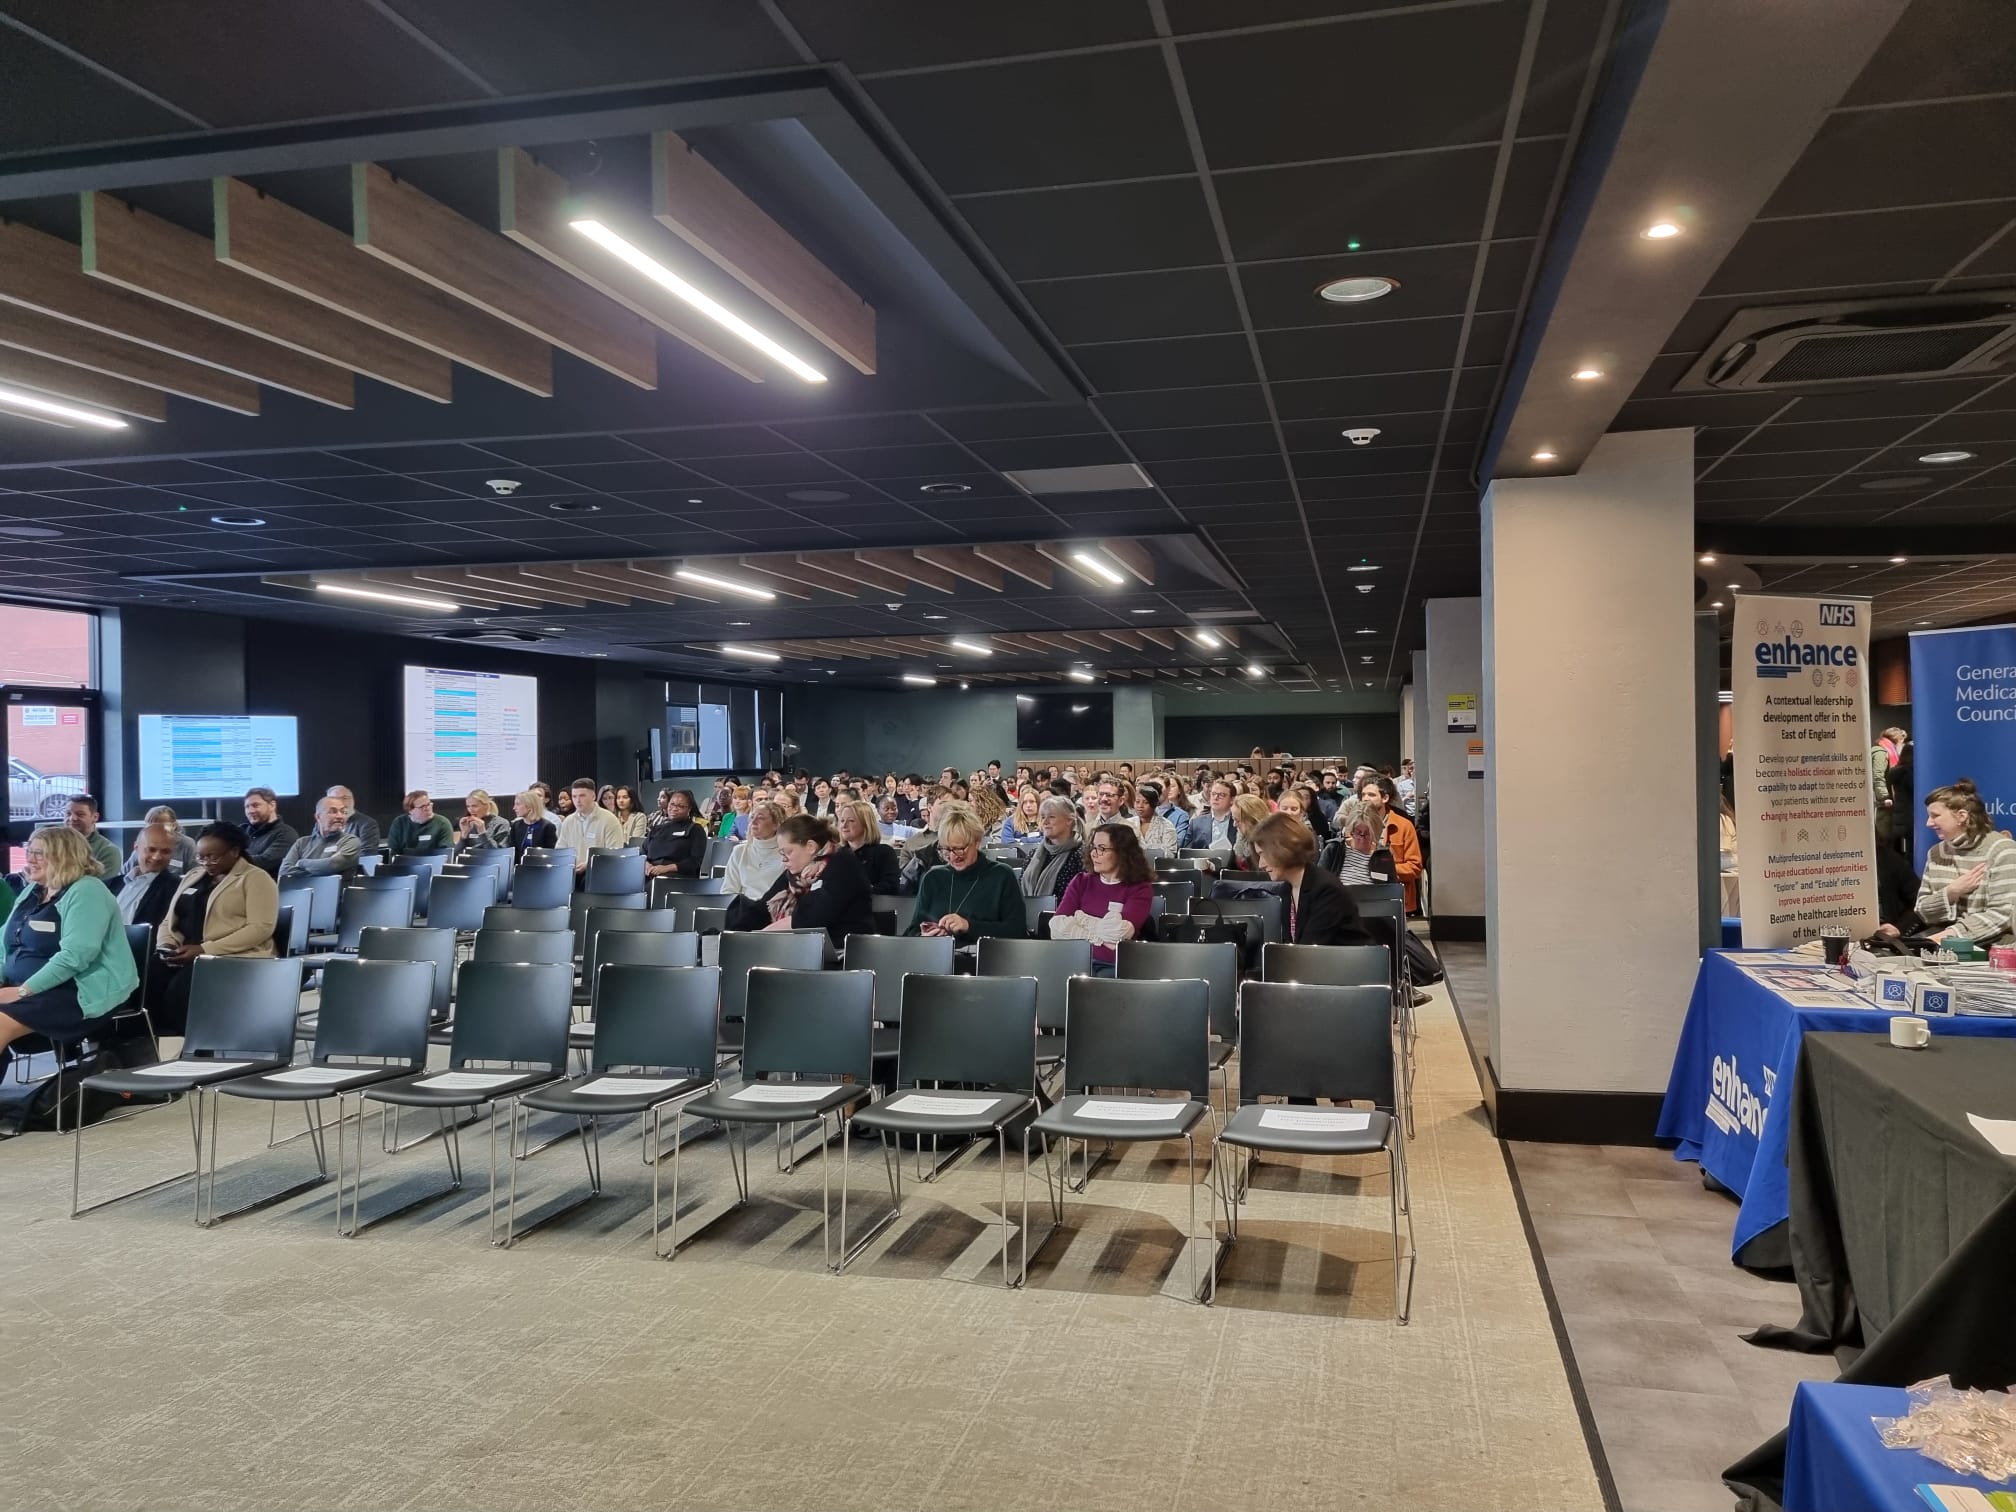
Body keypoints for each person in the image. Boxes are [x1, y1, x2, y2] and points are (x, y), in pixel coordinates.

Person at [0, 826, 136, 1083]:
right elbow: (3, 941)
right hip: (26, 987)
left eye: (39, 853)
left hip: (76, 990)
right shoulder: (34, 890)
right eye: (30, 850)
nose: (30, 858)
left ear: (65, 855)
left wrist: (22, 991)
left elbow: (76, 956)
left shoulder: (87, 890)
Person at [153, 821, 279, 1035]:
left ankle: (192, 1044)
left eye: (213, 856)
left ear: (235, 852)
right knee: (149, 976)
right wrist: (166, 944)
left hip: (233, 956)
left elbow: (260, 928)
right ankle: (152, 1043)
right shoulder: (194, 876)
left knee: (183, 987)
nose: (206, 862)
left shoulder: (255, 878)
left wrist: (205, 949)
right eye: (201, 856)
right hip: (187, 952)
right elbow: (169, 920)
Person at [1904, 780, 2016, 945]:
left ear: (1962, 816)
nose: (1928, 823)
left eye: (1935, 816)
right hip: (1939, 940)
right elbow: (1922, 910)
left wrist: (1950, 935)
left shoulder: (2003, 850)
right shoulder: (1936, 853)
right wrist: (1951, 892)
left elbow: (2002, 915)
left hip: (1989, 948)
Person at [1250, 811, 1372, 946]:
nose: (1261, 864)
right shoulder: (1286, 888)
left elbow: (1309, 949)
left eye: (1263, 854)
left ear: (1283, 849)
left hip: (1346, 965)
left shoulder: (1326, 890)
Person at [908, 808, 1024, 945]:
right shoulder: (933, 878)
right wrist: (923, 936)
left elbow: (1017, 932)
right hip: (936, 961)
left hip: (987, 961)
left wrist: (969, 926)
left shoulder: (1002, 876)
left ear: (977, 842)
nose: (952, 856)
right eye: (946, 849)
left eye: (959, 849)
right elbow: (912, 931)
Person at [1049, 823, 1154, 973]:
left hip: (1111, 965)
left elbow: (1119, 933)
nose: (1093, 854)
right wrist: (1098, 937)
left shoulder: (1140, 888)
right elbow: (1057, 927)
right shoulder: (1081, 881)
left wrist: (1079, 919)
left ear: (1122, 853)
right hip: (1071, 960)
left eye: (1102, 849)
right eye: (1093, 847)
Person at [760, 813, 874, 947]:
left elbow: (811, 918)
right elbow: (763, 906)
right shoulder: (796, 875)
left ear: (810, 847)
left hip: (847, 951)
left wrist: (758, 936)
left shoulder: (843, 864)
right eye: (781, 853)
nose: (783, 859)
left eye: (788, 852)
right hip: (807, 949)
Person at [1358, 774, 1425, 913]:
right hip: (1361, 895)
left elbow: (1415, 867)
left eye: (1371, 794)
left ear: (1385, 798)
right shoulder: (1355, 825)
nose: (1365, 798)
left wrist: (1386, 870)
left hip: (1395, 897)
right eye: (1363, 794)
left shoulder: (1404, 826)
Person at [117, 823, 182, 930]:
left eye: (165, 851)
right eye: (151, 849)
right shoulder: (110, 884)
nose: (157, 857)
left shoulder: (176, 889)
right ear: (136, 848)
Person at [278, 797, 362, 880]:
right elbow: (284, 871)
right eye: (333, 811)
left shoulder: (351, 841)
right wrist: (322, 872)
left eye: (344, 812)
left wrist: (301, 863)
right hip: (302, 892)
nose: (340, 816)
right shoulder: (301, 843)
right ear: (318, 817)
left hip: (335, 892)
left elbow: (332, 865)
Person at [1020, 795, 1085, 899]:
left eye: (1051, 817)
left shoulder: (1081, 855)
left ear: (1069, 820)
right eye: (1043, 817)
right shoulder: (1033, 854)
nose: (1045, 822)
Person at [721, 800, 785, 902]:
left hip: (775, 912)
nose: (753, 822)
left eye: (760, 818)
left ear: (776, 824)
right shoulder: (740, 851)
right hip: (744, 911)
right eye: (751, 817)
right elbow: (729, 890)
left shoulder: (787, 854)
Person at [836, 798, 902, 895]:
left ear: (866, 823)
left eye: (851, 820)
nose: (844, 825)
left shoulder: (883, 853)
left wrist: (864, 889)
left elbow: (891, 886)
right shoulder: (837, 854)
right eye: (842, 821)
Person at [557, 777, 625, 871]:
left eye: (582, 796)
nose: (577, 800)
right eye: (574, 796)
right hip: (571, 870)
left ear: (593, 796)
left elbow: (614, 853)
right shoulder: (568, 821)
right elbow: (560, 850)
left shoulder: (610, 820)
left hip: (600, 871)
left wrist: (589, 864)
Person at [644, 789, 709, 879]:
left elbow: (695, 862)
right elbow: (642, 853)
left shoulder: (695, 830)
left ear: (689, 809)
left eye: (681, 806)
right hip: (649, 874)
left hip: (677, 876)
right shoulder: (657, 829)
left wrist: (666, 868)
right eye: (672, 804)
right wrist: (646, 865)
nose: (674, 808)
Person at [122, 804, 197, 879]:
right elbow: (123, 874)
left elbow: (195, 875)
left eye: (161, 827)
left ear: (174, 825)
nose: (156, 831)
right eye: (150, 827)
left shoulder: (187, 844)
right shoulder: (144, 844)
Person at [241, 787, 298, 877]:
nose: (250, 811)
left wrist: (230, 859)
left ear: (272, 805)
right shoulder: (241, 830)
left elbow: (265, 862)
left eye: (255, 805)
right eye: (247, 807)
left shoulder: (286, 834)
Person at [64, 795, 122, 878]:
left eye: (80, 814)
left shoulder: (108, 851)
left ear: (95, 817)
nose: (72, 818)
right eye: (68, 813)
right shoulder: (54, 845)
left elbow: (95, 887)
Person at [386, 790, 454, 857]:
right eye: (422, 807)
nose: (427, 808)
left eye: (428, 804)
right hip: (405, 865)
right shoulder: (399, 823)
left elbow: (445, 854)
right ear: (411, 810)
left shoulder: (442, 823)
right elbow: (393, 853)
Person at [1871, 726, 1908, 845]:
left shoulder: (1885, 750)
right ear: (1897, 739)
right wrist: (1884, 797)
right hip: (1883, 801)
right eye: (1902, 741)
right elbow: (1878, 776)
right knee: (1884, 829)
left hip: (1886, 798)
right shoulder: (1881, 752)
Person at [1225, 793, 1276, 872]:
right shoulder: (1241, 836)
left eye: (1238, 820)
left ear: (1251, 820)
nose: (1234, 824)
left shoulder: (1271, 840)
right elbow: (1229, 870)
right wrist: (1211, 870)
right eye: (1233, 819)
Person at [326, 786, 381, 853]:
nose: (340, 802)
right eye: (334, 799)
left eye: (345, 798)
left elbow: (367, 854)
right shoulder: (323, 823)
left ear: (352, 800)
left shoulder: (367, 824)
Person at [1134, 784, 1180, 852]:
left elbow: (1171, 853)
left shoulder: (1166, 825)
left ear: (1154, 804)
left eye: (1146, 802)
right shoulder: (1128, 824)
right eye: (1137, 802)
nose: (1140, 806)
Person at [509, 789, 557, 854]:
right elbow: (513, 852)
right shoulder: (515, 826)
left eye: (518, 804)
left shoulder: (547, 827)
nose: (514, 808)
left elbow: (550, 854)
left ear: (529, 806)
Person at [1196, 778, 1239, 850]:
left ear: (1232, 800)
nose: (1216, 798)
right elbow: (1187, 853)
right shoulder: (1196, 823)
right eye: (1213, 794)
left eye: (1221, 795)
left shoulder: (1239, 822)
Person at [1154, 776, 1194, 848]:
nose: (1156, 791)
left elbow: (1178, 843)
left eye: (1159, 787)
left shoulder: (1181, 815)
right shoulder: (1143, 812)